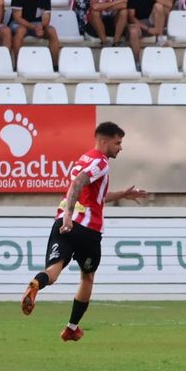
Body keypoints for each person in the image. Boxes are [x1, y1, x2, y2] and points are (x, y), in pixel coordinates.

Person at [19, 122, 149, 340]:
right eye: (118, 143)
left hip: (62, 223)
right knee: (87, 277)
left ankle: (36, 284)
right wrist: (71, 215)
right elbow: (79, 183)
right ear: (104, 141)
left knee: (52, 271)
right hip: (86, 229)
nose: (120, 148)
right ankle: (71, 328)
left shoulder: (83, 159)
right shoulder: (101, 162)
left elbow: (93, 194)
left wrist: (122, 195)